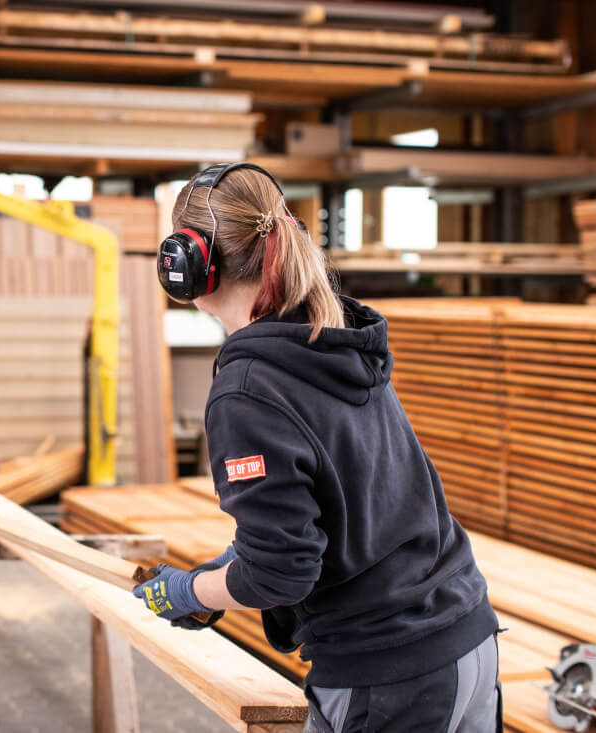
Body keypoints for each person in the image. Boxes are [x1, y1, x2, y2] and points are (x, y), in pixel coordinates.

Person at [135, 163, 500, 732]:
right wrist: (227, 573)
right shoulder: (334, 339)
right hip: (466, 639)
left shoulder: (248, 392)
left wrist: (189, 589)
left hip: (388, 675)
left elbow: (283, 575)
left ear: (187, 264)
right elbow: (342, 506)